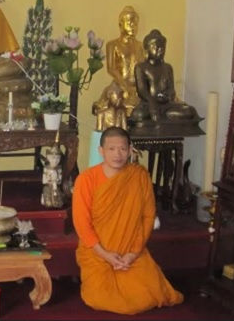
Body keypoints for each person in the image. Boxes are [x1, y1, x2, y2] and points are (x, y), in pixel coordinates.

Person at [72, 126, 183, 315]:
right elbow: (82, 223)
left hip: (131, 251)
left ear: (130, 150)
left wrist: (133, 253)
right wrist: (105, 254)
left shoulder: (139, 176)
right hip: (97, 252)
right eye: (111, 149)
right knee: (98, 297)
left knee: (151, 295)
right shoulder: (86, 179)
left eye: (123, 149)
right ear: (101, 151)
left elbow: (148, 216)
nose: (118, 154)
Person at [130, 30, 198, 124]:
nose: (160, 50)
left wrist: (168, 96)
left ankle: (164, 117)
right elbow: (142, 91)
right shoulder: (141, 67)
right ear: (147, 49)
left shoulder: (167, 68)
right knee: (138, 115)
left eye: (163, 47)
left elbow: (171, 90)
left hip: (166, 105)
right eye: (156, 47)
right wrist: (152, 103)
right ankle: (164, 117)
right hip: (148, 104)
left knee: (190, 111)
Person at [93, 6, 145, 116]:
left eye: (135, 24)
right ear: (121, 25)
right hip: (119, 85)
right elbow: (111, 69)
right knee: (114, 101)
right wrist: (124, 86)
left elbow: (144, 69)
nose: (133, 26)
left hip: (137, 87)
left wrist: (140, 88)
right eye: (129, 23)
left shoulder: (141, 46)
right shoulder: (113, 45)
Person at [41, 144, 63, 208]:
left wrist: (56, 181)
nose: (55, 161)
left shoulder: (59, 169)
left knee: (58, 201)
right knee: (49, 203)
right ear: (48, 158)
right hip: (49, 186)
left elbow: (60, 180)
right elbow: (44, 181)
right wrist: (50, 181)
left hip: (55, 187)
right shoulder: (46, 168)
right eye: (53, 158)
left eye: (58, 158)